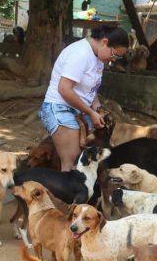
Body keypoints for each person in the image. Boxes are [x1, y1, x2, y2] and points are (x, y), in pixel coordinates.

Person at [38, 25, 129, 171]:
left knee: (88, 162)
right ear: (105, 42)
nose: (113, 60)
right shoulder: (80, 53)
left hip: (79, 111)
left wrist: (98, 109)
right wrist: (91, 113)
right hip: (60, 108)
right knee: (73, 165)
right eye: (114, 55)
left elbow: (90, 91)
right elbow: (64, 89)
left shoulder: (98, 57)